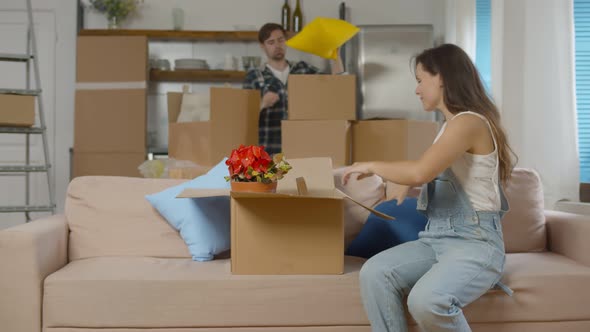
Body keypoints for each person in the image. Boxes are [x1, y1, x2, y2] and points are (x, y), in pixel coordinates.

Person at [342, 43, 517, 332]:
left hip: (475, 244)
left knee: (426, 300)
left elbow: (421, 171)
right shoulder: (447, 128)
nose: (417, 89)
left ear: (442, 78)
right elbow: (434, 173)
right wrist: (402, 181)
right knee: (375, 272)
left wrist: (372, 165)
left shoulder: (469, 123)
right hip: (437, 239)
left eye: (420, 80)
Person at [243, 22, 344, 155]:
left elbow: (337, 84)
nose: (278, 46)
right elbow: (242, 117)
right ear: (263, 46)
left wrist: (335, 56)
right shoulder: (254, 76)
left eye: (281, 40)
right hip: (267, 152)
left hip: (301, 150)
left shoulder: (303, 69)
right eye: (271, 42)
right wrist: (262, 104)